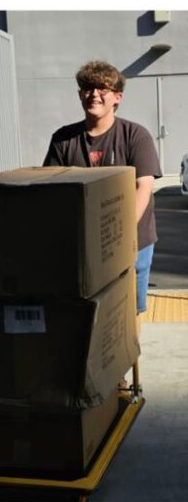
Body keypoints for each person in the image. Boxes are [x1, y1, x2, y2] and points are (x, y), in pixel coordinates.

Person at [43, 60, 162, 318]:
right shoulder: (63, 139)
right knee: (86, 310)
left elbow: (144, 185)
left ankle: (129, 356)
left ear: (117, 97)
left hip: (132, 241)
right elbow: (51, 188)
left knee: (130, 310)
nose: (94, 94)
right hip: (81, 244)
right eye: (87, 87)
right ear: (79, 94)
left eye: (102, 88)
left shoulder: (135, 135)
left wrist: (124, 233)